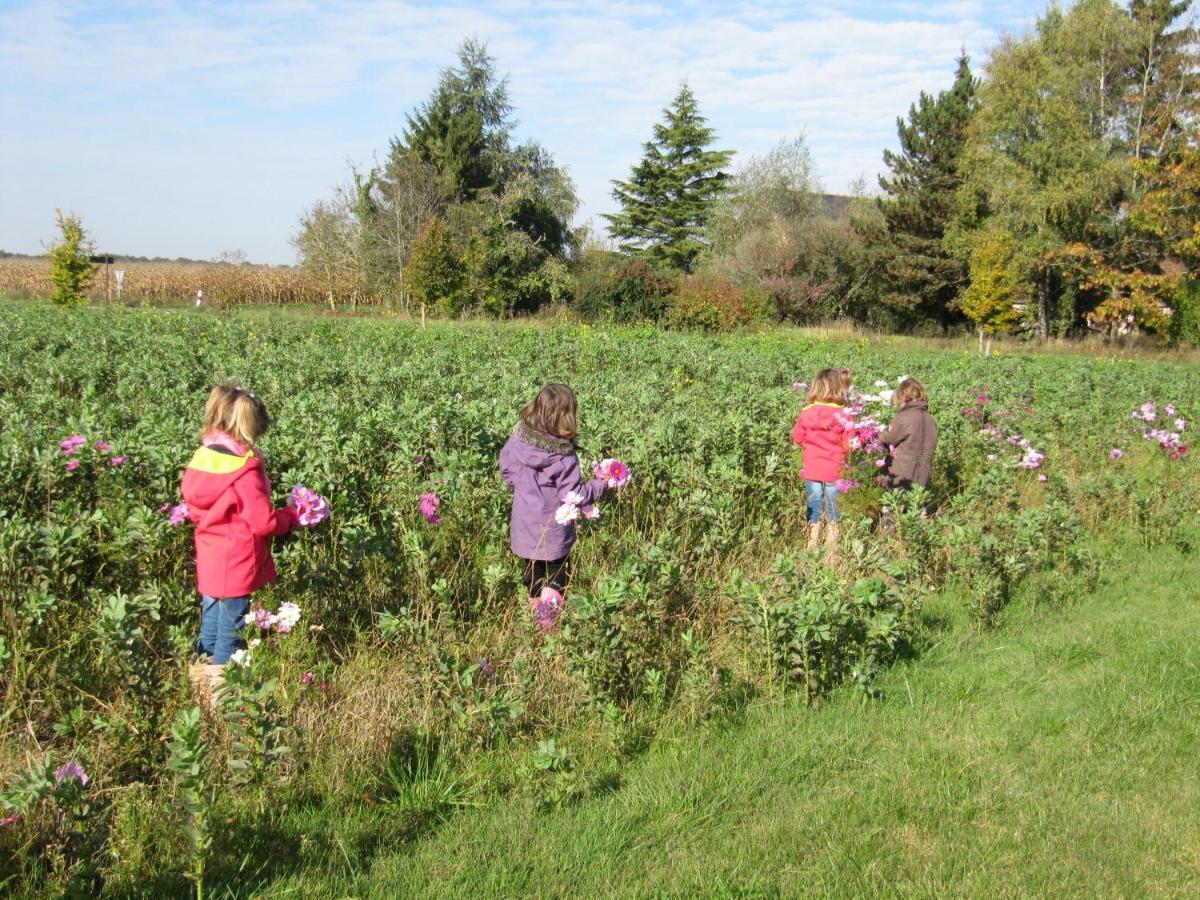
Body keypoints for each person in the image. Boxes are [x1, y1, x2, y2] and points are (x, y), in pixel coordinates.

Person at [181, 383, 300, 701]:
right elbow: (262, 521)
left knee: (211, 625)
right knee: (231, 635)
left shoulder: (202, 459)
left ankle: (199, 686)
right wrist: (291, 516)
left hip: (209, 561)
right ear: (248, 427)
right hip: (236, 565)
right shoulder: (244, 471)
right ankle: (220, 700)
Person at [499, 383, 611, 632]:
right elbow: (574, 495)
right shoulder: (563, 456)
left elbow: (506, 469)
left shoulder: (517, 441)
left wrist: (524, 489)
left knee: (532, 574)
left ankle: (533, 616)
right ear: (567, 417)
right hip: (553, 532)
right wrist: (601, 485)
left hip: (524, 527)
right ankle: (549, 628)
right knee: (557, 576)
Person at [791, 368, 853, 561]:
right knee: (833, 504)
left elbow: (797, 437)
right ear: (838, 388)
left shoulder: (806, 412)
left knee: (814, 502)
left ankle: (812, 540)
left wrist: (810, 446)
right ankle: (832, 545)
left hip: (812, 467)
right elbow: (850, 444)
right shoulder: (844, 414)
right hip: (836, 468)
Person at [879, 378, 938, 492]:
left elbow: (887, 439)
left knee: (894, 507)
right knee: (917, 506)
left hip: (901, 476)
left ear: (902, 397)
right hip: (923, 476)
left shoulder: (903, 417)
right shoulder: (930, 419)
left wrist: (881, 432)